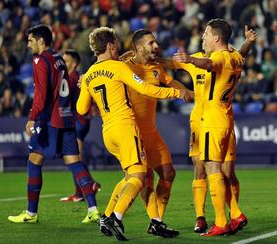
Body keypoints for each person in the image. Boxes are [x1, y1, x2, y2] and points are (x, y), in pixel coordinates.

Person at [76, 27, 190, 241]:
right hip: (126, 127)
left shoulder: (90, 73)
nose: (119, 47)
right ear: (110, 46)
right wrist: (176, 92)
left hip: (107, 131)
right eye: (116, 44)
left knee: (132, 176)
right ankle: (115, 217)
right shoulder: (119, 67)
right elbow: (146, 88)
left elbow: (81, 110)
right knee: (139, 176)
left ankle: (115, 217)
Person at [160, 25, 257, 233]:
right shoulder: (235, 57)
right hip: (223, 118)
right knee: (208, 168)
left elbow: (210, 63)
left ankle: (223, 221)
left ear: (216, 38)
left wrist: (191, 60)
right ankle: (229, 214)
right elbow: (240, 54)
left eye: (205, 34)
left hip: (211, 120)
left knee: (214, 169)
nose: (202, 37)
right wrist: (248, 42)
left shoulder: (218, 58)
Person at [8, 24, 100, 224]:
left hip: (49, 120)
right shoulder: (58, 58)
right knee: (74, 161)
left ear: (41, 40)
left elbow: (41, 95)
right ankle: (93, 209)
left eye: (31, 40)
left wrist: (32, 117)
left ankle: (31, 214)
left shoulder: (39, 60)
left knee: (34, 161)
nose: (28, 44)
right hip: (66, 118)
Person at [60, 49, 101, 202]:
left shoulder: (73, 78)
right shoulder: (75, 78)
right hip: (79, 121)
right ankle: (84, 189)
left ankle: (86, 188)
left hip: (78, 122)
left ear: (75, 63)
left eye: (67, 60)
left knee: (74, 158)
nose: (63, 63)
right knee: (74, 158)